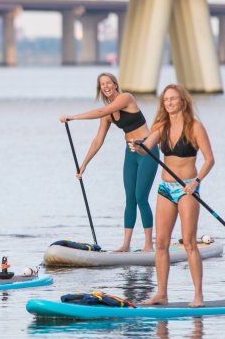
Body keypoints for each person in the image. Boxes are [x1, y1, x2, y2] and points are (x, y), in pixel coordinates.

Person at [130, 84, 214, 307]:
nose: (169, 102)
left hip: (188, 188)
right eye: (166, 99)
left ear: (182, 101)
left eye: (173, 99)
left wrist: (196, 182)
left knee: (189, 242)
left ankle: (198, 295)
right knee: (161, 244)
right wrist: (136, 146)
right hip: (166, 189)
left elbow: (209, 160)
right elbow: (146, 147)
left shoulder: (195, 126)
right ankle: (161, 294)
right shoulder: (161, 126)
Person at [59, 72, 159, 252]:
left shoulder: (126, 98)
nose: (105, 86)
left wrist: (74, 117)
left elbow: (100, 111)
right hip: (130, 153)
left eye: (108, 83)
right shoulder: (108, 115)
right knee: (130, 199)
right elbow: (98, 141)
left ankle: (148, 245)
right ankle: (126, 244)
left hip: (148, 151)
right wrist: (84, 165)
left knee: (141, 198)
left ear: (115, 84)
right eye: (102, 84)